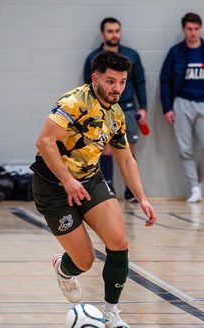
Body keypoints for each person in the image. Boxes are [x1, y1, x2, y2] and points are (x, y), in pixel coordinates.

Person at [30, 51, 156, 328]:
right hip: (54, 187)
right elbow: (44, 142)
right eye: (111, 81)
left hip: (89, 181)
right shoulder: (74, 102)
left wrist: (143, 198)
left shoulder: (117, 114)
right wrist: (66, 180)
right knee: (84, 261)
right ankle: (64, 268)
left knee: (119, 241)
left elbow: (125, 159)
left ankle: (111, 312)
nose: (117, 88)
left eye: (122, 82)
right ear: (94, 78)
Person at [159, 12, 204, 203]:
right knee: (185, 149)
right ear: (184, 29)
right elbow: (165, 81)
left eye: (196, 29)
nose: (193, 33)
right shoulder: (175, 53)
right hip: (180, 102)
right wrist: (167, 107)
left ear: (201, 28)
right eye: (189, 29)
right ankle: (194, 188)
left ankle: (197, 181)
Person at [83, 17, 148, 203]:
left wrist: (143, 107)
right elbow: (88, 83)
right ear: (103, 34)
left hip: (127, 107)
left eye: (117, 31)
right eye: (110, 31)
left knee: (127, 147)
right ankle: (108, 187)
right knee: (105, 147)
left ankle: (131, 192)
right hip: (101, 108)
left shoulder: (132, 56)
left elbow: (140, 83)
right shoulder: (93, 58)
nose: (114, 35)